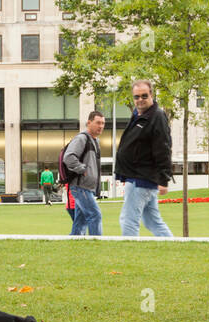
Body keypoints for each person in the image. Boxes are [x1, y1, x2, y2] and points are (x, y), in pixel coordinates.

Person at [115, 80, 173, 238]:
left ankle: (129, 254)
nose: (140, 99)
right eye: (136, 97)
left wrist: (163, 180)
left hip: (141, 178)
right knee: (152, 221)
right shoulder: (138, 115)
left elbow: (163, 149)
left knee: (128, 220)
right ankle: (172, 246)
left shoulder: (157, 116)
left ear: (151, 95)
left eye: (144, 96)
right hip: (136, 177)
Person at [63, 110, 104, 236]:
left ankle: (73, 245)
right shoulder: (82, 138)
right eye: (98, 123)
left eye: (103, 123)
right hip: (81, 187)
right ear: (89, 122)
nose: (101, 126)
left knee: (80, 222)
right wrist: (83, 169)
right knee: (95, 215)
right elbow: (68, 157)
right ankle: (97, 246)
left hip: (86, 187)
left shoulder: (95, 141)